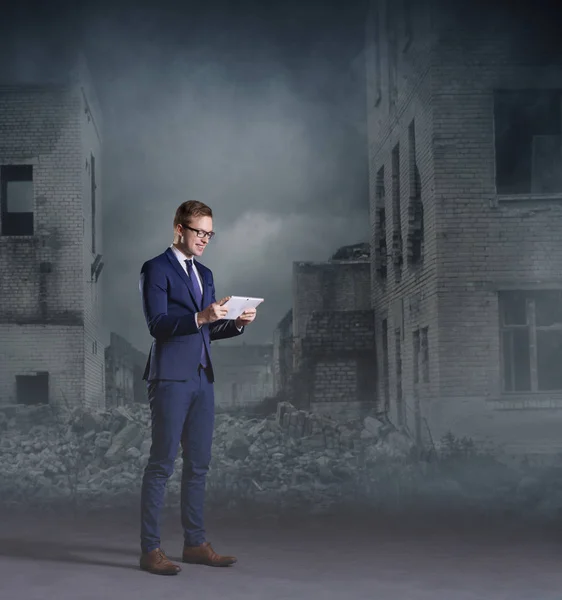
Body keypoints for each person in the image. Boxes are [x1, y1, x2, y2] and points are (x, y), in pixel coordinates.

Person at [138, 200, 257, 575]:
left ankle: (195, 543)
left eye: (209, 233)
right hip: (171, 377)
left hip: (203, 378)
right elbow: (157, 324)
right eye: (198, 231)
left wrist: (236, 323)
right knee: (161, 465)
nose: (204, 239)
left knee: (199, 465)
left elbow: (206, 330)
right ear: (179, 229)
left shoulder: (205, 272)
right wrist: (201, 315)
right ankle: (150, 550)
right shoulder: (155, 268)